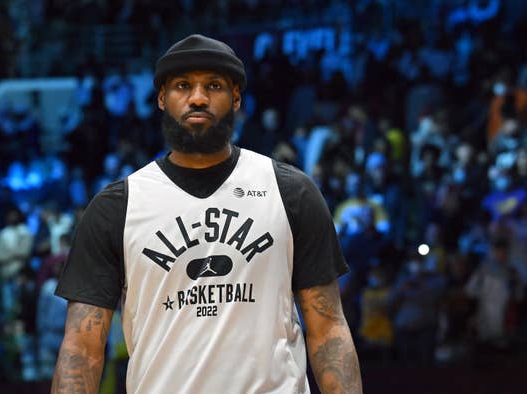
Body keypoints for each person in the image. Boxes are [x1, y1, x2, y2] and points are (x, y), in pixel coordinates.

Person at [52, 34, 362, 394]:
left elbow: (328, 329)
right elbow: (82, 349)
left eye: (213, 85)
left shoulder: (291, 192)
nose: (198, 97)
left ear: (235, 98)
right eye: (183, 86)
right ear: (161, 99)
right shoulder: (116, 206)